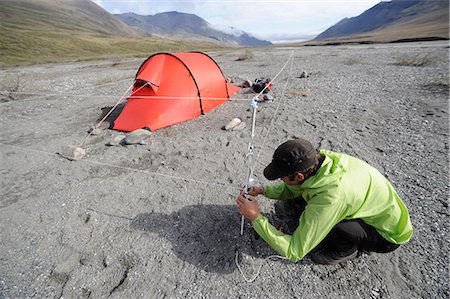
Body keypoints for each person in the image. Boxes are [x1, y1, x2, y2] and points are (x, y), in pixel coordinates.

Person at [236, 138, 413, 264]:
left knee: (320, 243)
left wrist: (256, 217)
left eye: (282, 177)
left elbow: (294, 251)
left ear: (298, 175)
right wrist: (264, 190)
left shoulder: (332, 196)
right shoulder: (320, 159)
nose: (281, 180)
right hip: (364, 205)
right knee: (298, 203)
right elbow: (298, 186)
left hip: (386, 235)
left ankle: (345, 250)